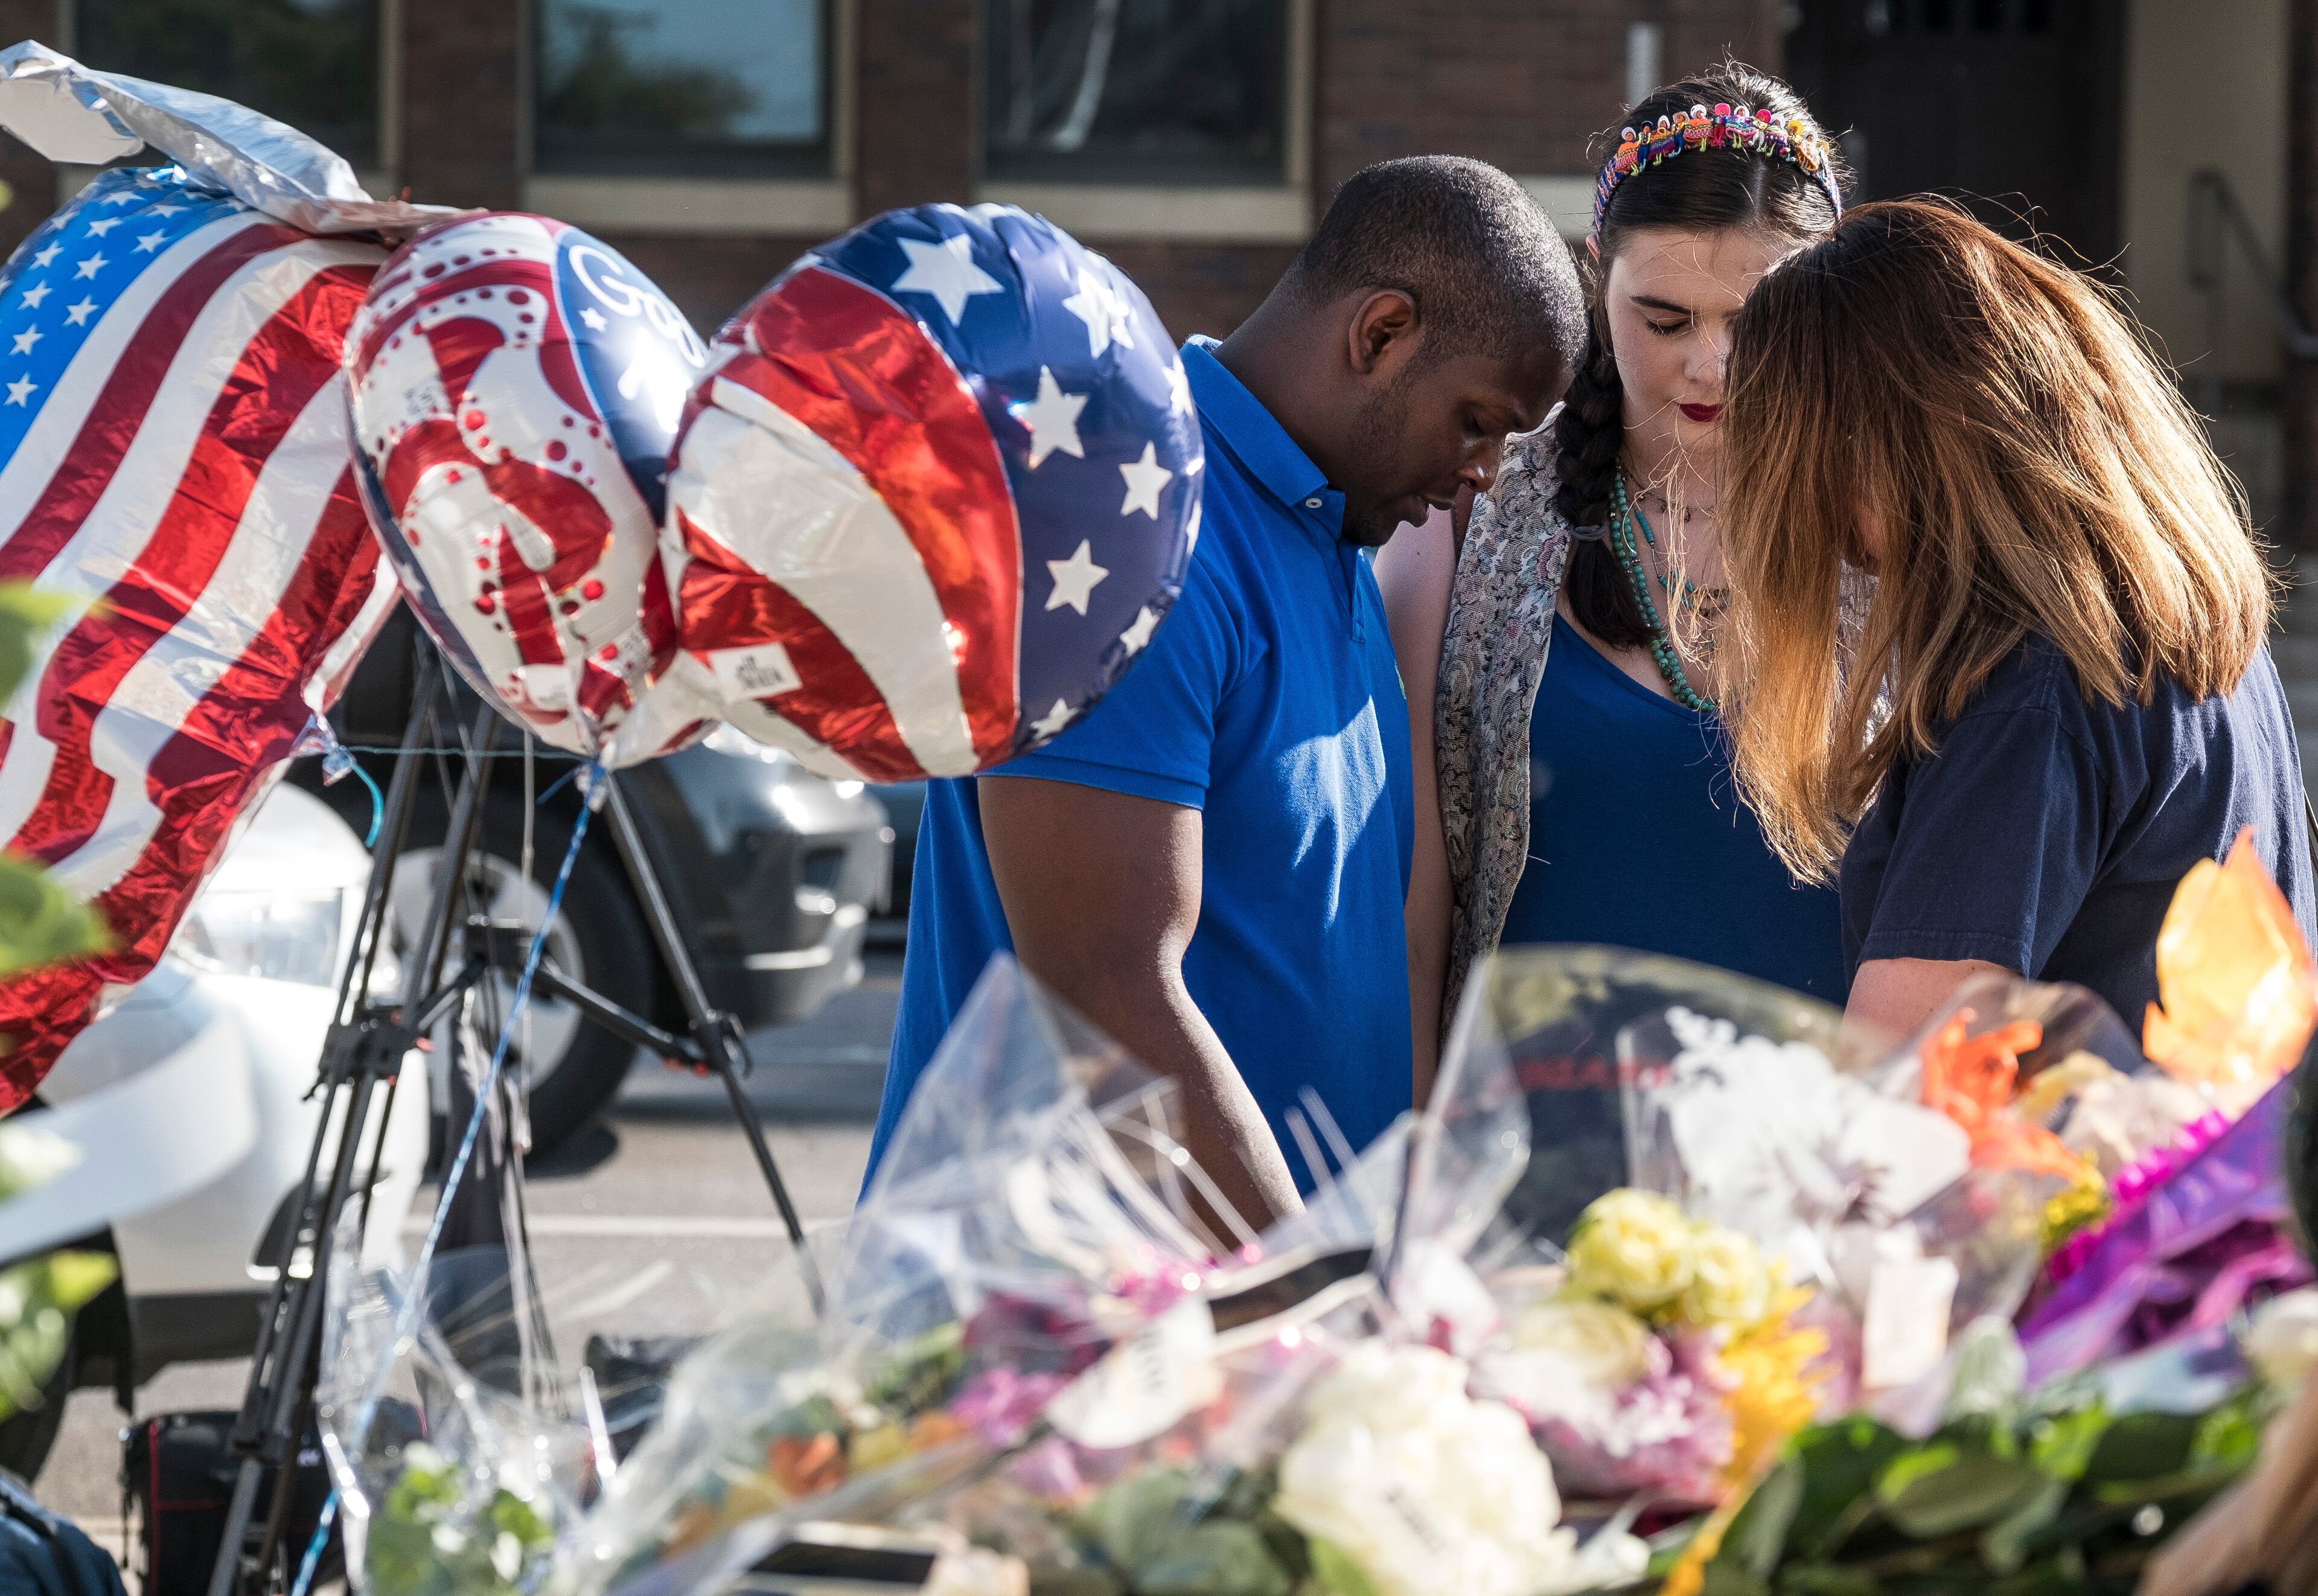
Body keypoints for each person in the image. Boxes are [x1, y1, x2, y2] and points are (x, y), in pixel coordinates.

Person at [868, 156, 1584, 1225]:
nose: (1486, 470)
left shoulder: (1334, 531)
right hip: (1066, 1332)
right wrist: (1314, 1291)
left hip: (1255, 1326)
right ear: (1381, 335)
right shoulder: (1132, 538)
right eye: (1477, 420)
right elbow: (1104, 995)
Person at [1713, 197, 2318, 1041]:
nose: (1817, 531)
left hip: (2082, 1175)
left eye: (1803, 466)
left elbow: (1901, 1089)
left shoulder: (2027, 690)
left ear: (1889, 451)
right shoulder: (2181, 629)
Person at [1378, 66, 1856, 1100]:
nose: (1713, 367)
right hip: (1536, 1168)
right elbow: (1413, 917)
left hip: (1834, 1176)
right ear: (1598, 275)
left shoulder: (1896, 532)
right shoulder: (1466, 515)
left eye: (1756, 318)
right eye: (1666, 318)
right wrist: (1413, 1171)